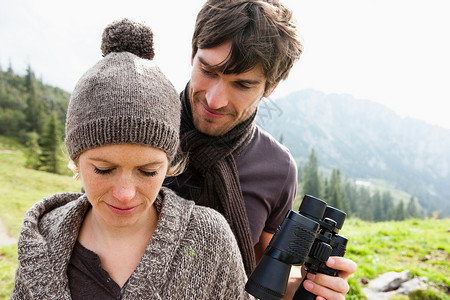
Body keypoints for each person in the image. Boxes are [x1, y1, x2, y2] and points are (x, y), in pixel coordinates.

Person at [10, 19, 252, 300]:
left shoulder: (210, 240)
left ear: (169, 165)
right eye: (103, 169)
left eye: (148, 171)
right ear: (76, 161)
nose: (125, 194)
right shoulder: (43, 240)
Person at [164, 0, 357, 299]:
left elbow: (259, 274)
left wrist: (307, 288)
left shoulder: (277, 169)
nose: (215, 100)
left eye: (241, 85)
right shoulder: (142, 129)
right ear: (193, 54)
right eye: (208, 70)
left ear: (270, 87)